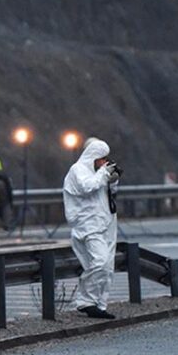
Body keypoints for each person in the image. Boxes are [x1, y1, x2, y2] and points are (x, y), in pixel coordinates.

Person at [63, 137, 121, 319]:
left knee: (107, 267)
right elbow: (87, 187)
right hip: (88, 226)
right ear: (93, 156)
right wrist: (104, 174)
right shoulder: (78, 171)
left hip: (106, 223)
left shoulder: (98, 173)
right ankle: (85, 301)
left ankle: (99, 305)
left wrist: (113, 180)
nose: (104, 162)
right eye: (102, 159)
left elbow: (106, 194)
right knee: (100, 262)